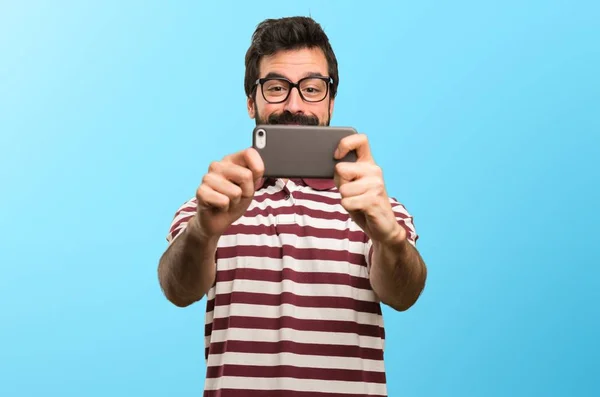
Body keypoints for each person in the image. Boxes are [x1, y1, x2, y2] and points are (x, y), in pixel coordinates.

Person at [158, 16, 427, 397]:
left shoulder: (375, 206)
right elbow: (177, 289)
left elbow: (404, 294)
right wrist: (203, 230)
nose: (295, 104)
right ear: (252, 101)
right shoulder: (212, 203)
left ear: (331, 100)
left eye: (312, 88)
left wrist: (389, 238)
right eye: (277, 87)